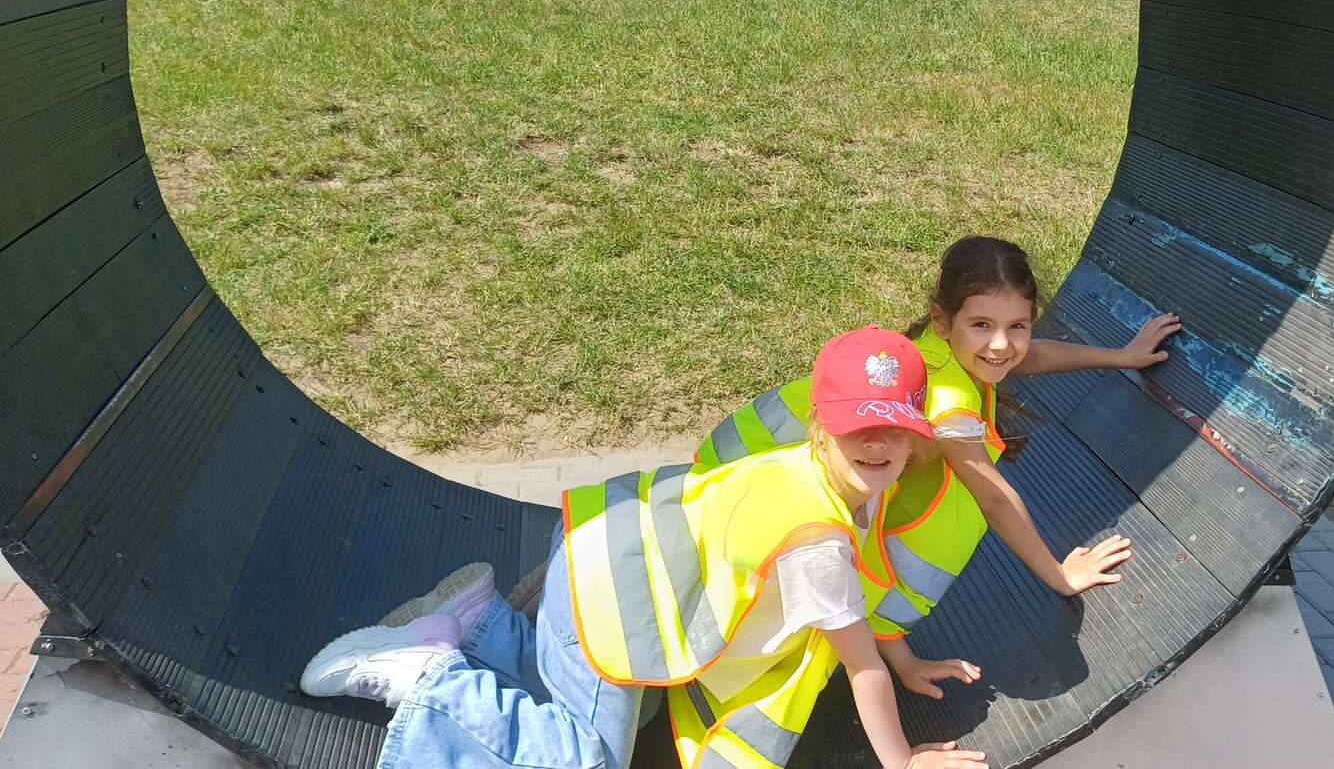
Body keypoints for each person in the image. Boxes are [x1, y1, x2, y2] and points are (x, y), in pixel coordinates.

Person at [301, 327, 989, 769]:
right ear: (820, 426)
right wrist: (903, 762)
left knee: (626, 709)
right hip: (612, 604)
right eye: (856, 427)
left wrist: (907, 660)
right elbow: (860, 667)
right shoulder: (819, 541)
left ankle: (480, 624)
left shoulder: (816, 471)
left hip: (602, 558)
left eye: (892, 429)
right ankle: (430, 678)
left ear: (914, 438)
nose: (876, 443)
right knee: (586, 760)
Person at [696, 236, 1180, 647]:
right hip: (751, 486)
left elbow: (1025, 357)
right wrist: (1061, 575)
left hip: (735, 461)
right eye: (983, 325)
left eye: (1017, 325)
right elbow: (993, 498)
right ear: (944, 320)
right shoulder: (947, 399)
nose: (1001, 344)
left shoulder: (945, 345)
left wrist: (1122, 356)